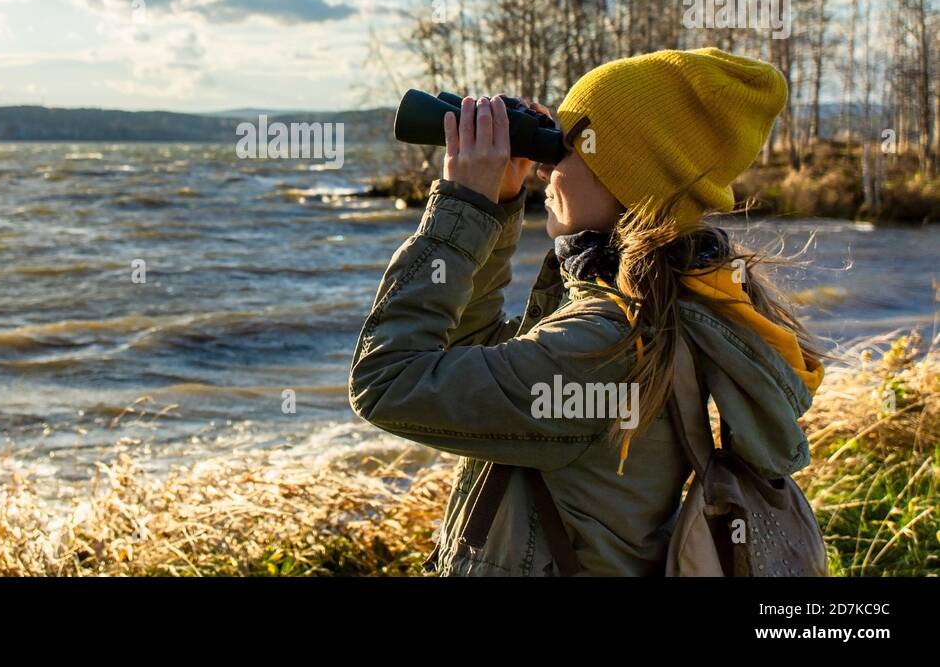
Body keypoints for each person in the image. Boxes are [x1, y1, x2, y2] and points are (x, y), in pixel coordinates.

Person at [349, 48, 825, 576]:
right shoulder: (656, 302)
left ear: (626, 177)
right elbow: (471, 355)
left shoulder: (603, 345)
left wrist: (463, 207)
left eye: (571, 144)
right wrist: (502, 208)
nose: (548, 164)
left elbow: (387, 381)